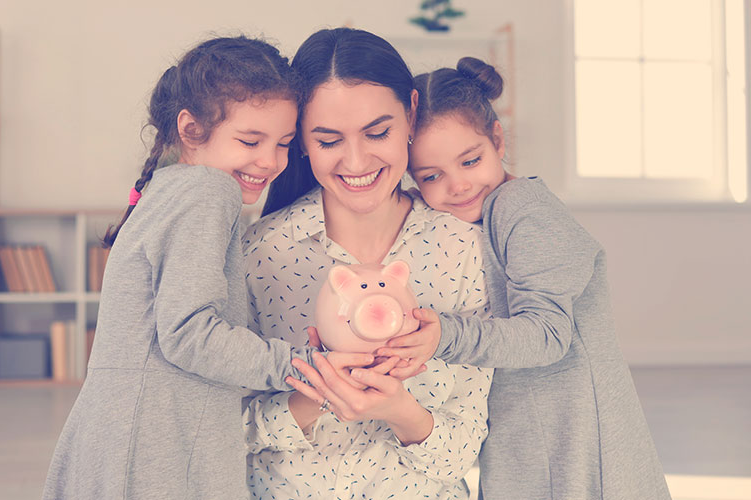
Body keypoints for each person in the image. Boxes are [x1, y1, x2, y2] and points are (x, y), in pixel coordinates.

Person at [41, 36, 373, 500]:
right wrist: (305, 367)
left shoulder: (170, 189)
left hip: (122, 439)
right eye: (250, 140)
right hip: (156, 450)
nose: (271, 161)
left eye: (283, 144)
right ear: (191, 129)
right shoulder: (207, 193)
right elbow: (190, 333)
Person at [380, 56, 672, 499]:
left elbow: (548, 334)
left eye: (470, 160)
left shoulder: (523, 209)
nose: (457, 185)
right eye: (432, 176)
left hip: (573, 439)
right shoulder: (476, 217)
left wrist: (444, 336)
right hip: (532, 429)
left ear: (497, 139)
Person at [242, 28, 494, 499]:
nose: (356, 161)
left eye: (378, 132)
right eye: (328, 140)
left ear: (412, 114)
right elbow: (221, 432)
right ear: (301, 140)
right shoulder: (260, 254)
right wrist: (312, 395)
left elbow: (465, 449)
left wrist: (401, 410)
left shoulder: (466, 252)